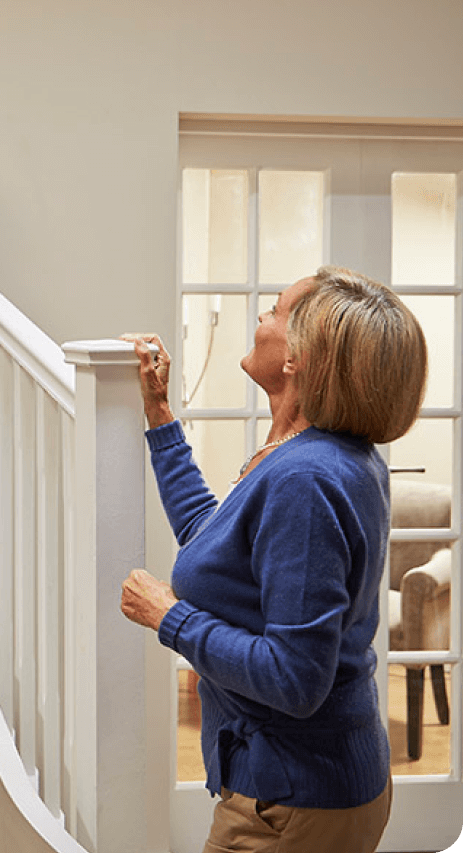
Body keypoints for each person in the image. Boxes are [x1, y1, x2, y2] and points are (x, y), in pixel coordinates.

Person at [120, 266, 427, 853]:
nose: (262, 316)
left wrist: (168, 617)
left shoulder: (307, 478)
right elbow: (208, 541)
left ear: (298, 358)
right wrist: (159, 414)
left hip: (294, 803)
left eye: (277, 311)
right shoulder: (311, 454)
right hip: (309, 788)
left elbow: (294, 678)